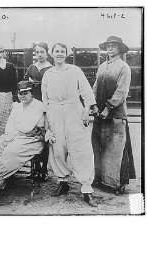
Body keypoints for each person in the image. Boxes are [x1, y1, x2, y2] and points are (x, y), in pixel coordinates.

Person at [0, 81, 46, 206]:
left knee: (8, 154)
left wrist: (19, 132)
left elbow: (28, 128)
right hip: (15, 135)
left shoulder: (38, 106)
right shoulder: (17, 106)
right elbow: (10, 126)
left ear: (32, 93)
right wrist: (12, 136)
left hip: (32, 140)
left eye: (26, 93)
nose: (22, 96)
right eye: (20, 93)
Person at [41, 43, 97, 207]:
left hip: (74, 111)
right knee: (58, 148)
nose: (59, 54)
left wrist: (86, 110)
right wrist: (48, 121)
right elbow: (45, 99)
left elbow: (86, 91)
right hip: (55, 113)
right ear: (52, 54)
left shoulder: (74, 70)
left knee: (81, 148)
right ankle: (63, 181)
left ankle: (86, 188)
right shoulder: (48, 74)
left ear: (67, 54)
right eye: (56, 51)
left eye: (62, 51)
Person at [92, 36, 136, 194]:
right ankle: (100, 179)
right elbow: (96, 86)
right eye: (108, 46)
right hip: (99, 115)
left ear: (120, 48)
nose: (110, 49)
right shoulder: (102, 66)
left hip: (115, 115)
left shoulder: (124, 67)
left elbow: (121, 92)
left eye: (113, 46)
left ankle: (117, 184)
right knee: (98, 147)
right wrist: (94, 105)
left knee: (115, 149)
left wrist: (108, 108)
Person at [24, 42, 53, 181]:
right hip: (32, 103)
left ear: (47, 53)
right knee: (32, 132)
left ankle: (44, 169)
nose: (39, 55)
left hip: (46, 103)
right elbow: (24, 84)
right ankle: (34, 168)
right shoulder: (31, 67)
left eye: (42, 52)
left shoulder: (51, 68)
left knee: (44, 134)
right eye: (37, 52)